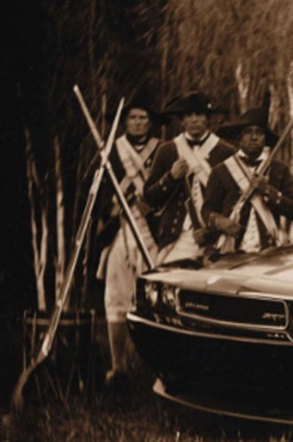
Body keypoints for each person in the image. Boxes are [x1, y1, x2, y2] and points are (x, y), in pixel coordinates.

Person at [93, 89, 162, 385]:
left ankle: (159, 366)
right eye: (132, 117)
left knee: (157, 297)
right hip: (123, 227)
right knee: (116, 292)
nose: (137, 122)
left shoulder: (163, 150)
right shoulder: (111, 151)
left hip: (153, 232)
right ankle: (118, 366)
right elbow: (98, 191)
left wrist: (154, 205)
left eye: (142, 117)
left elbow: (168, 190)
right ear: (125, 122)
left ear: (150, 122)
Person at [144, 92, 234, 262]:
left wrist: (212, 231)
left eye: (199, 114)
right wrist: (170, 177)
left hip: (216, 239)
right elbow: (150, 198)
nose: (194, 120)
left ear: (207, 119)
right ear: (182, 120)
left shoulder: (225, 151)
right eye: (188, 115)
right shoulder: (167, 150)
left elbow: (233, 201)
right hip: (178, 237)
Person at [201, 104, 293, 253]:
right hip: (231, 250)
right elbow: (207, 210)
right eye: (248, 132)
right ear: (239, 138)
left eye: (259, 133)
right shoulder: (221, 171)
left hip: (270, 251)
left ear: (265, 138)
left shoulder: (279, 169)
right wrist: (220, 221)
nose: (253, 137)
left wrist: (268, 190)